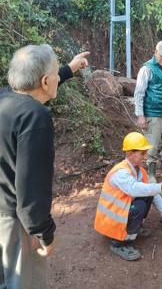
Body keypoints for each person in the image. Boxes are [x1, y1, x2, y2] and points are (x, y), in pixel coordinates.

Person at [0, 44, 89, 289]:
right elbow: (32, 189)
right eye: (55, 74)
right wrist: (45, 234)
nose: (58, 78)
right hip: (13, 221)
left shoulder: (6, 98)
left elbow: (37, 86)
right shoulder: (35, 117)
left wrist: (69, 69)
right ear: (45, 80)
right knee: (22, 282)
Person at [94, 132, 162, 261]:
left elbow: (152, 193)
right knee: (140, 206)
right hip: (111, 223)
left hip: (118, 217)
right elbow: (134, 189)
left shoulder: (139, 171)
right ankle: (119, 243)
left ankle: (133, 230)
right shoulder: (120, 173)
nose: (145, 156)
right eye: (142, 153)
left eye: (146, 152)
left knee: (147, 195)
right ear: (130, 153)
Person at [134, 40, 162, 183]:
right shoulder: (147, 69)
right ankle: (151, 175)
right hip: (153, 113)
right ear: (156, 52)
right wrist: (140, 115)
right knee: (152, 146)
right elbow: (139, 93)